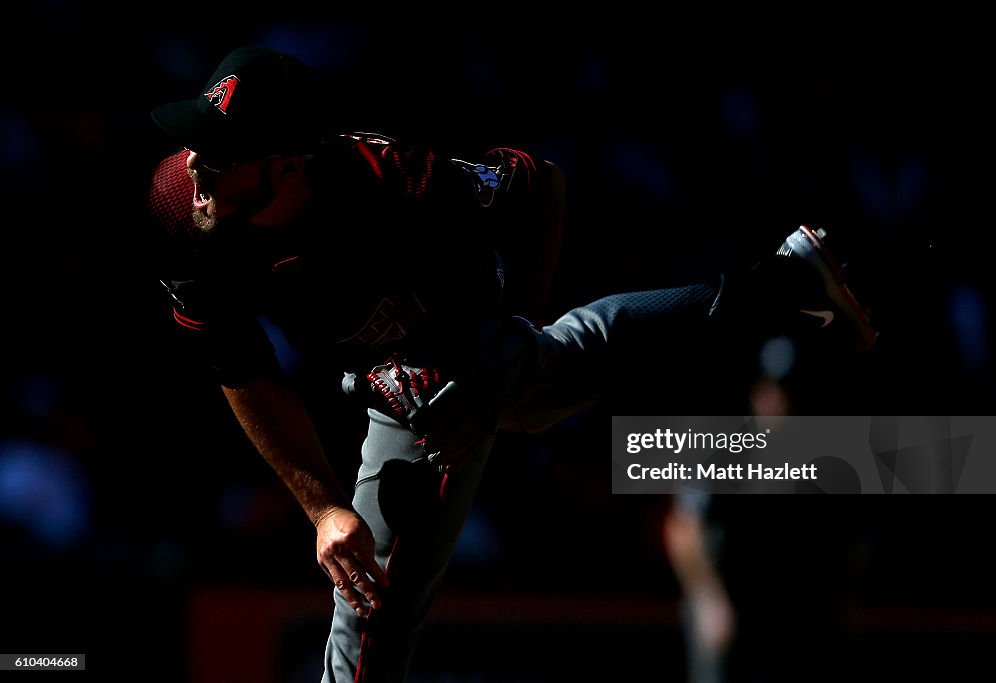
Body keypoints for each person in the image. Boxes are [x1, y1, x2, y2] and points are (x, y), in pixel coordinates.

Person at [146, 46, 878, 683]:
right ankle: (783, 283)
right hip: (367, 355)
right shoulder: (184, 205)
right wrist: (323, 506)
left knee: (374, 602)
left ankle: (775, 286)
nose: (196, 167)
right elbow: (240, 367)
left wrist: (514, 334)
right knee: (532, 395)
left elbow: (537, 186)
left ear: (285, 164)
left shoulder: (386, 179)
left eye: (221, 155)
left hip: (451, 340)